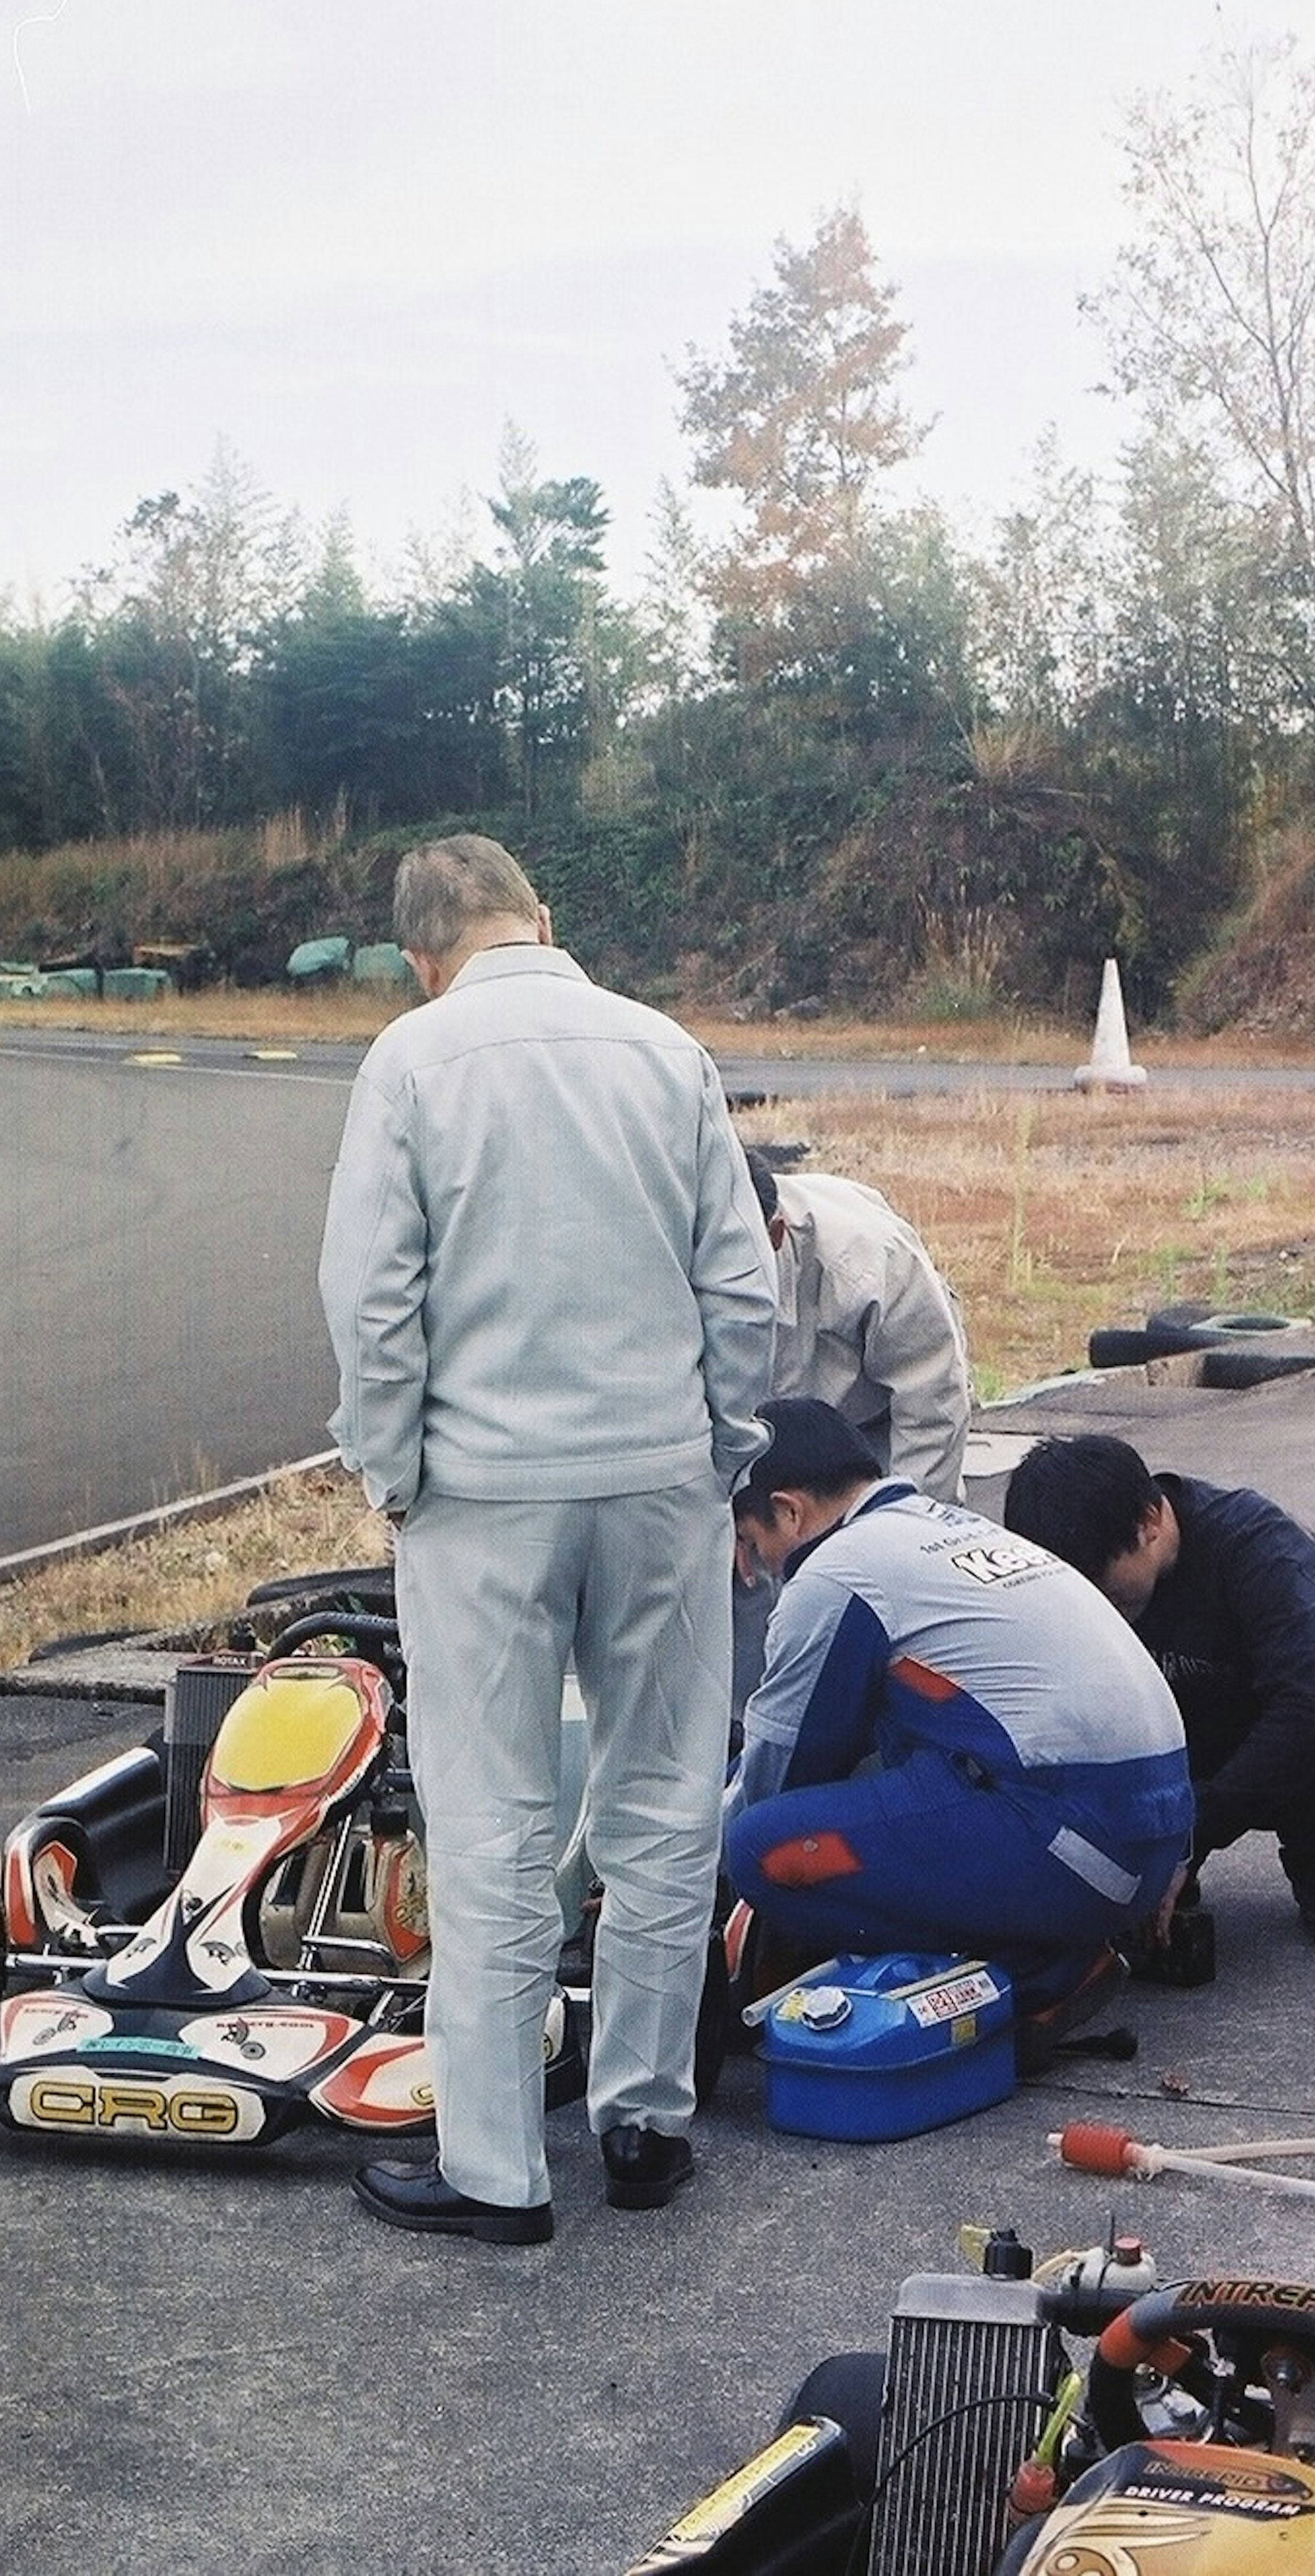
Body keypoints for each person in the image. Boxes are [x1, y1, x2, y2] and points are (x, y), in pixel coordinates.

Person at [319, 834, 776, 2244]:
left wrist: (393, 1467)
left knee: (496, 1815)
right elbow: (740, 1286)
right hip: (657, 1476)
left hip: (487, 1491)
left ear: (420, 954)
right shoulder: (664, 1050)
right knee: (658, 1795)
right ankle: (645, 2114)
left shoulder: (413, 1059)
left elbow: (372, 1302)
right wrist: (722, 1448)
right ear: (543, 919)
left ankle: (498, 2166)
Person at [725, 1399, 1192, 2021]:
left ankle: (1039, 1972)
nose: (756, 1573)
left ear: (789, 1509)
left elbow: (779, 1775)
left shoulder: (838, 1575)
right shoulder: (942, 1527)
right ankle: (1049, 1936)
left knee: (761, 1848)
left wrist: (675, 1863)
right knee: (900, 1738)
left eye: (755, 1545)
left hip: (1079, 1844)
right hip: (1152, 1836)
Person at [1001, 1434, 1315, 1952]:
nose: (1103, 1613)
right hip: (1213, 1729)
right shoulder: (1094, 1567)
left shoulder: (1259, 1545)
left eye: (1110, 1594)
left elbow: (1311, 1714)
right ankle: (1162, 1867)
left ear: (1150, 1524)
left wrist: (1191, 1835)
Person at [735, 1150, 974, 1711]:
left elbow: (933, 1404)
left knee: (882, 1582)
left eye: (734, 1260)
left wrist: (905, 1546)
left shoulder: (867, 1259)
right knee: (749, 1571)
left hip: (879, 1423)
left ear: (775, 1233)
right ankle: (754, 1725)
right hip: (760, 1427)